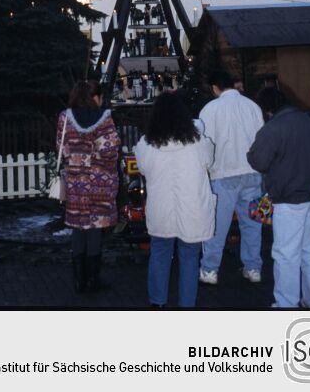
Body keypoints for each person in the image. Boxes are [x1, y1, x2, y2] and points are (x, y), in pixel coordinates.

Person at [247, 84, 310, 308]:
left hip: (288, 199)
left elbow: (258, 161)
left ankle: (285, 304)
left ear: (267, 109)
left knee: (286, 254)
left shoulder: (273, 128)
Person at [134, 91, 215, 308]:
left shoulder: (147, 144)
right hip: (193, 209)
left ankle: (157, 302)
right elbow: (210, 160)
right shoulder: (198, 141)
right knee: (189, 258)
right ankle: (186, 306)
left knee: (160, 254)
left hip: (161, 210)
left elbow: (142, 168)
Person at [198, 69, 264, 285]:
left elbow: (205, 143)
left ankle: (210, 269)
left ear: (215, 88)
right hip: (252, 173)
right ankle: (253, 267)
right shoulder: (252, 106)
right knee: (252, 224)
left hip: (223, 174)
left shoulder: (210, 109)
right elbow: (261, 138)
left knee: (217, 226)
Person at [56, 80, 121, 294]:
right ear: (95, 97)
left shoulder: (65, 119)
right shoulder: (105, 121)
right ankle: (92, 280)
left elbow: (61, 148)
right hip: (99, 185)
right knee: (94, 231)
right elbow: (110, 152)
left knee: (78, 229)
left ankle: (78, 281)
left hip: (75, 184)